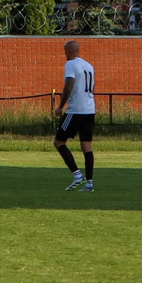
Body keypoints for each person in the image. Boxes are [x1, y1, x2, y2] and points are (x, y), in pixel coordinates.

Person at [54, 38, 98, 191]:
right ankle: (90, 183)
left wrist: (61, 106)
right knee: (86, 145)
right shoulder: (89, 66)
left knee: (59, 142)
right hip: (89, 109)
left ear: (71, 51)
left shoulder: (71, 64)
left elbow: (69, 84)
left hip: (75, 110)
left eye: (65, 51)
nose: (65, 54)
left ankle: (77, 175)